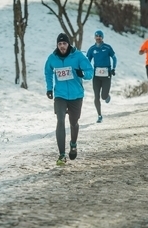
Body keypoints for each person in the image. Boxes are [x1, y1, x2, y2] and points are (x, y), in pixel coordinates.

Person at [44, 33, 94, 166]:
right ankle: (61, 155)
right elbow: (48, 72)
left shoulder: (77, 56)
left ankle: (73, 144)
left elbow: (90, 70)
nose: (62, 46)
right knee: (60, 120)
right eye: (59, 44)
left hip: (76, 95)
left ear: (68, 44)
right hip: (60, 95)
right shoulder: (52, 58)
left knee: (73, 122)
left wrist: (83, 74)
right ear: (57, 45)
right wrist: (49, 88)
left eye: (64, 43)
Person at [86, 30, 117, 123]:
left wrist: (113, 68)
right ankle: (99, 115)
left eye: (100, 36)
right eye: (97, 36)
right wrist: (88, 70)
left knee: (103, 96)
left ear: (102, 37)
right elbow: (87, 60)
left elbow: (114, 58)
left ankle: (106, 96)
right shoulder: (92, 49)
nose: (98, 37)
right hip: (96, 75)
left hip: (106, 74)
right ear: (95, 37)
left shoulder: (108, 48)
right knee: (96, 96)